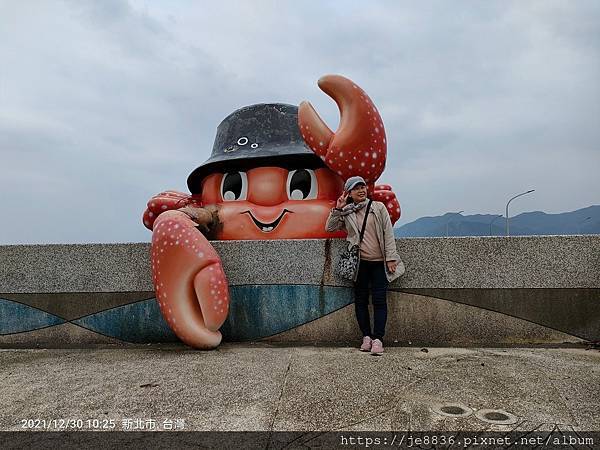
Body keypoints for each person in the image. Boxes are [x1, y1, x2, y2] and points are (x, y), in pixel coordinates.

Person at [325, 176, 403, 355]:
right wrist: (338, 208)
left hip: (379, 263)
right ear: (349, 193)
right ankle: (366, 337)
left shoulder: (378, 207)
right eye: (356, 188)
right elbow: (329, 228)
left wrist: (391, 257)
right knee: (360, 301)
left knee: (379, 301)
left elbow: (388, 233)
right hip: (359, 264)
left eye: (363, 187)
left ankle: (378, 339)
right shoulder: (347, 212)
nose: (361, 190)